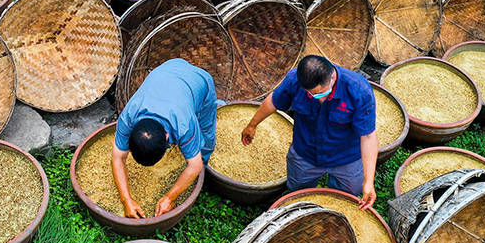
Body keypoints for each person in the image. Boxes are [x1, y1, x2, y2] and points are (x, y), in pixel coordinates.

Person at [241, 55, 378, 208]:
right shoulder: (294, 80)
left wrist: (368, 181)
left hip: (346, 157)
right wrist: (252, 125)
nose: (315, 97)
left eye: (320, 93)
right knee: (298, 192)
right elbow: (274, 101)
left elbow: (368, 136)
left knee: (346, 197)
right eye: (310, 93)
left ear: (332, 77)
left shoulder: (359, 90)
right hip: (305, 152)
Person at [113, 58, 219, 218]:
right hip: (170, 66)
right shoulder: (128, 117)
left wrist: (170, 198)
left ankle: (205, 170)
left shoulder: (184, 124)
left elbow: (194, 166)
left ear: (168, 137)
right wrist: (126, 200)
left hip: (200, 81)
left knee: (206, 131)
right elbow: (117, 158)